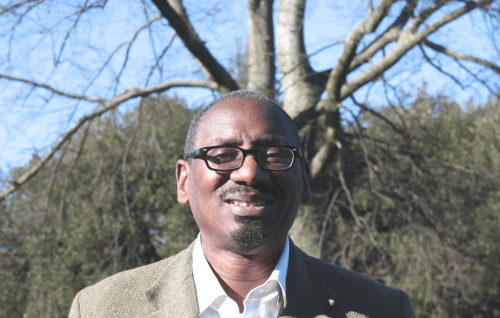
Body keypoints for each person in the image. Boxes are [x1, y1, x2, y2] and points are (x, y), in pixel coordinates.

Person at [69, 90, 415, 318]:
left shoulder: (382, 309)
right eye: (222, 155)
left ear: (304, 181)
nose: (250, 172)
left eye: (275, 155)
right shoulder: (101, 308)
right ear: (184, 180)